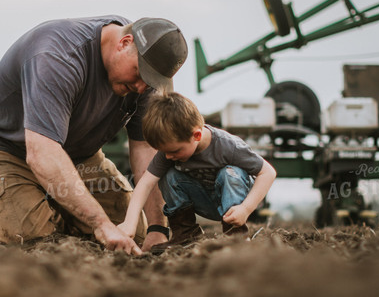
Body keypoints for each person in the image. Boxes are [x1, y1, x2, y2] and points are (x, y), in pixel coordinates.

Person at [0, 16, 188, 255]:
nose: (142, 87)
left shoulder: (143, 76)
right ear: (124, 43)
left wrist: (157, 228)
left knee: (131, 234)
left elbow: (146, 150)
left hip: (78, 155)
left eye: (151, 81)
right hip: (4, 149)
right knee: (28, 240)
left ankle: (63, 212)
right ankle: (46, 214)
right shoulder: (57, 58)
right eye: (140, 74)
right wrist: (100, 224)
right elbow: (43, 153)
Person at [118, 92, 277, 252]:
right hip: (203, 201)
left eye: (174, 151)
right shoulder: (169, 151)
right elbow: (145, 184)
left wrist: (246, 209)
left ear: (197, 135)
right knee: (168, 174)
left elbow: (268, 172)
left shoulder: (228, 146)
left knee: (230, 172)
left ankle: (235, 237)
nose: (168, 156)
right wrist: (130, 223)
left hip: (234, 206)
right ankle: (186, 235)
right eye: (164, 152)